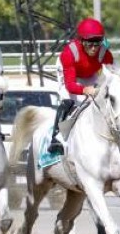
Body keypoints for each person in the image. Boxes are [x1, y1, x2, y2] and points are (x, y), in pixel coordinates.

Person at [46, 17, 114, 156]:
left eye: (97, 43)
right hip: (71, 74)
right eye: (90, 44)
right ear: (81, 41)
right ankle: (56, 139)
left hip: (90, 73)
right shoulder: (69, 53)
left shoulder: (105, 53)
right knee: (68, 100)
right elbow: (70, 85)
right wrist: (84, 89)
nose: (94, 48)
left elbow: (113, 74)